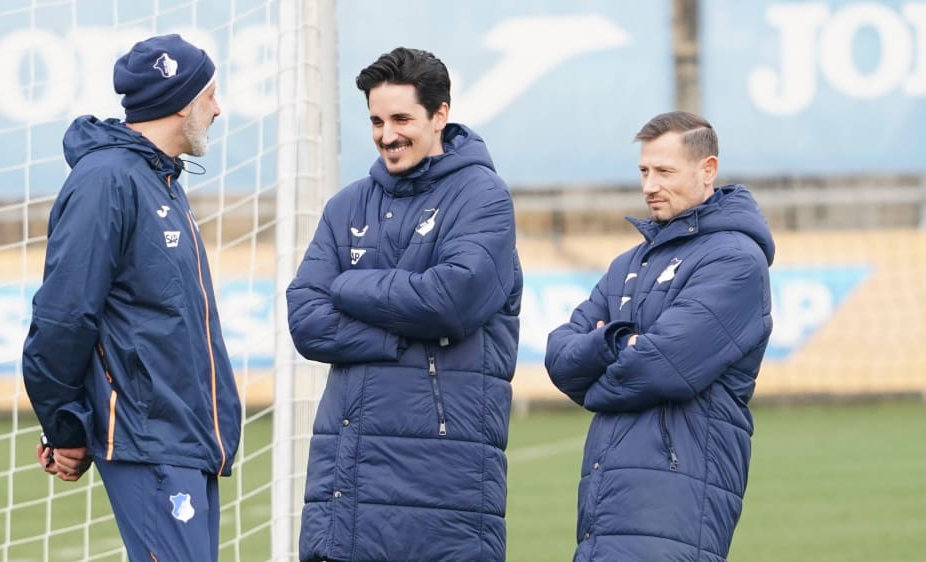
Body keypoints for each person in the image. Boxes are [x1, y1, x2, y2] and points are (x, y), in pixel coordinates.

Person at [287, 47, 523, 562]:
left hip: (442, 481)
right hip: (346, 479)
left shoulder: (483, 198)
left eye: (401, 119)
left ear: (440, 115)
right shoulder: (347, 205)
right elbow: (306, 319)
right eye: (376, 121)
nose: (387, 135)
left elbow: (450, 302)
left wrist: (349, 288)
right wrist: (397, 336)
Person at [21, 34, 241, 562]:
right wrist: (65, 426)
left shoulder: (161, 180)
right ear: (182, 101)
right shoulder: (106, 180)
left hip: (185, 438)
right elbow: (63, 316)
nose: (218, 109)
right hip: (150, 436)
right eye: (210, 95)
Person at [544, 111, 775, 561]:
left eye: (665, 171)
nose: (650, 185)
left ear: (707, 170)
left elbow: (662, 367)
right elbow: (560, 358)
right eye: (644, 171)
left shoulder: (736, 261)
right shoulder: (630, 263)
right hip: (606, 489)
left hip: (676, 494)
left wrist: (600, 369)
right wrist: (618, 344)